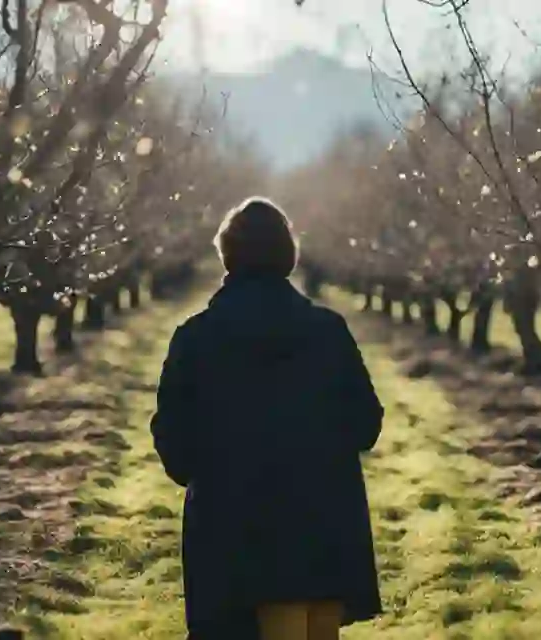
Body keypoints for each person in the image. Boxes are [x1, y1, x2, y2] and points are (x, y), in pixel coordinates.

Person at [150, 197, 385, 640]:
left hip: (231, 537)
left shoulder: (196, 337)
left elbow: (174, 442)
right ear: (288, 256)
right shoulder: (328, 331)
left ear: (227, 255)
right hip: (321, 532)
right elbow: (365, 425)